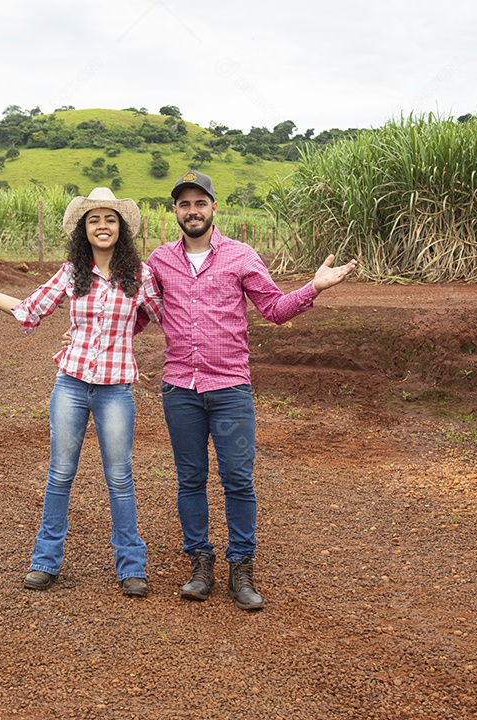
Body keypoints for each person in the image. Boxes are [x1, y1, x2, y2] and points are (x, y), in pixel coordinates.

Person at [141, 170, 357, 611]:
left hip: (230, 389)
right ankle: (200, 563)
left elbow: (274, 309)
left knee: (238, 479)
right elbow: (141, 315)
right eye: (184, 204)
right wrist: (89, 329)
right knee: (190, 479)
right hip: (180, 387)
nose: (192, 211)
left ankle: (242, 566)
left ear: (214, 207)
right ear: (175, 212)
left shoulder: (240, 256)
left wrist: (314, 287)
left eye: (200, 202)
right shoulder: (159, 261)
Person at [0, 187, 162, 598]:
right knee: (60, 473)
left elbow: (167, 316)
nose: (102, 226)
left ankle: (131, 567)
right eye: (93, 220)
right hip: (70, 384)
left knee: (119, 477)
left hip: (116, 389)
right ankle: (45, 562)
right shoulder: (72, 272)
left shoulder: (140, 276)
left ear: (122, 228)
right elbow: (29, 309)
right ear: (83, 230)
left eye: (109, 219)